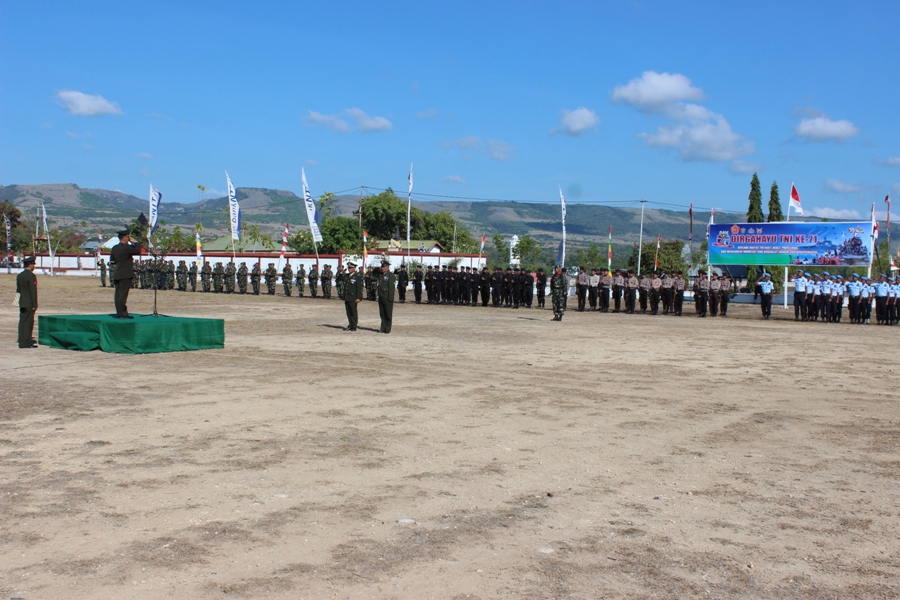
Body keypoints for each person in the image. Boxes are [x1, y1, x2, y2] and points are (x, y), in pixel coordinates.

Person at [110, 230, 142, 318]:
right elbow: (138, 250)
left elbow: (112, 261)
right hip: (125, 274)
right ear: (125, 238)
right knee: (123, 295)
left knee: (118, 294)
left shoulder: (114, 248)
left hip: (117, 273)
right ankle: (122, 314)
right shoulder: (126, 248)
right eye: (128, 237)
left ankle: (119, 312)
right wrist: (135, 242)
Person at [17, 256, 38, 348]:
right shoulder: (31, 276)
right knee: (28, 323)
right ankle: (25, 342)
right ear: (30, 265)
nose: (34, 267)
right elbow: (33, 292)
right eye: (33, 264)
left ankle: (22, 339)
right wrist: (34, 304)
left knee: (22, 322)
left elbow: (19, 290)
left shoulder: (20, 276)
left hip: (22, 301)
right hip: (29, 303)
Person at [343, 262, 364, 331]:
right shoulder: (347, 276)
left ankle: (354, 325)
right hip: (347, 296)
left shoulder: (357, 276)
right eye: (349, 268)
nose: (349, 269)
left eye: (351, 268)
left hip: (353, 297)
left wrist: (358, 297)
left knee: (353, 312)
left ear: (354, 268)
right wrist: (342, 272)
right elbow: (339, 279)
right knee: (348, 312)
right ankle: (350, 324)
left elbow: (359, 288)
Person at [376, 260, 396, 333]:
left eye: (384, 267)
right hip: (381, 296)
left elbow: (391, 288)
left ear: (387, 267)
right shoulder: (381, 275)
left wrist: (390, 298)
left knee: (388, 314)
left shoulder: (391, 276)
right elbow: (374, 273)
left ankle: (387, 329)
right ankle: (382, 328)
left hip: (387, 297)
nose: (382, 268)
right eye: (382, 267)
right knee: (382, 314)